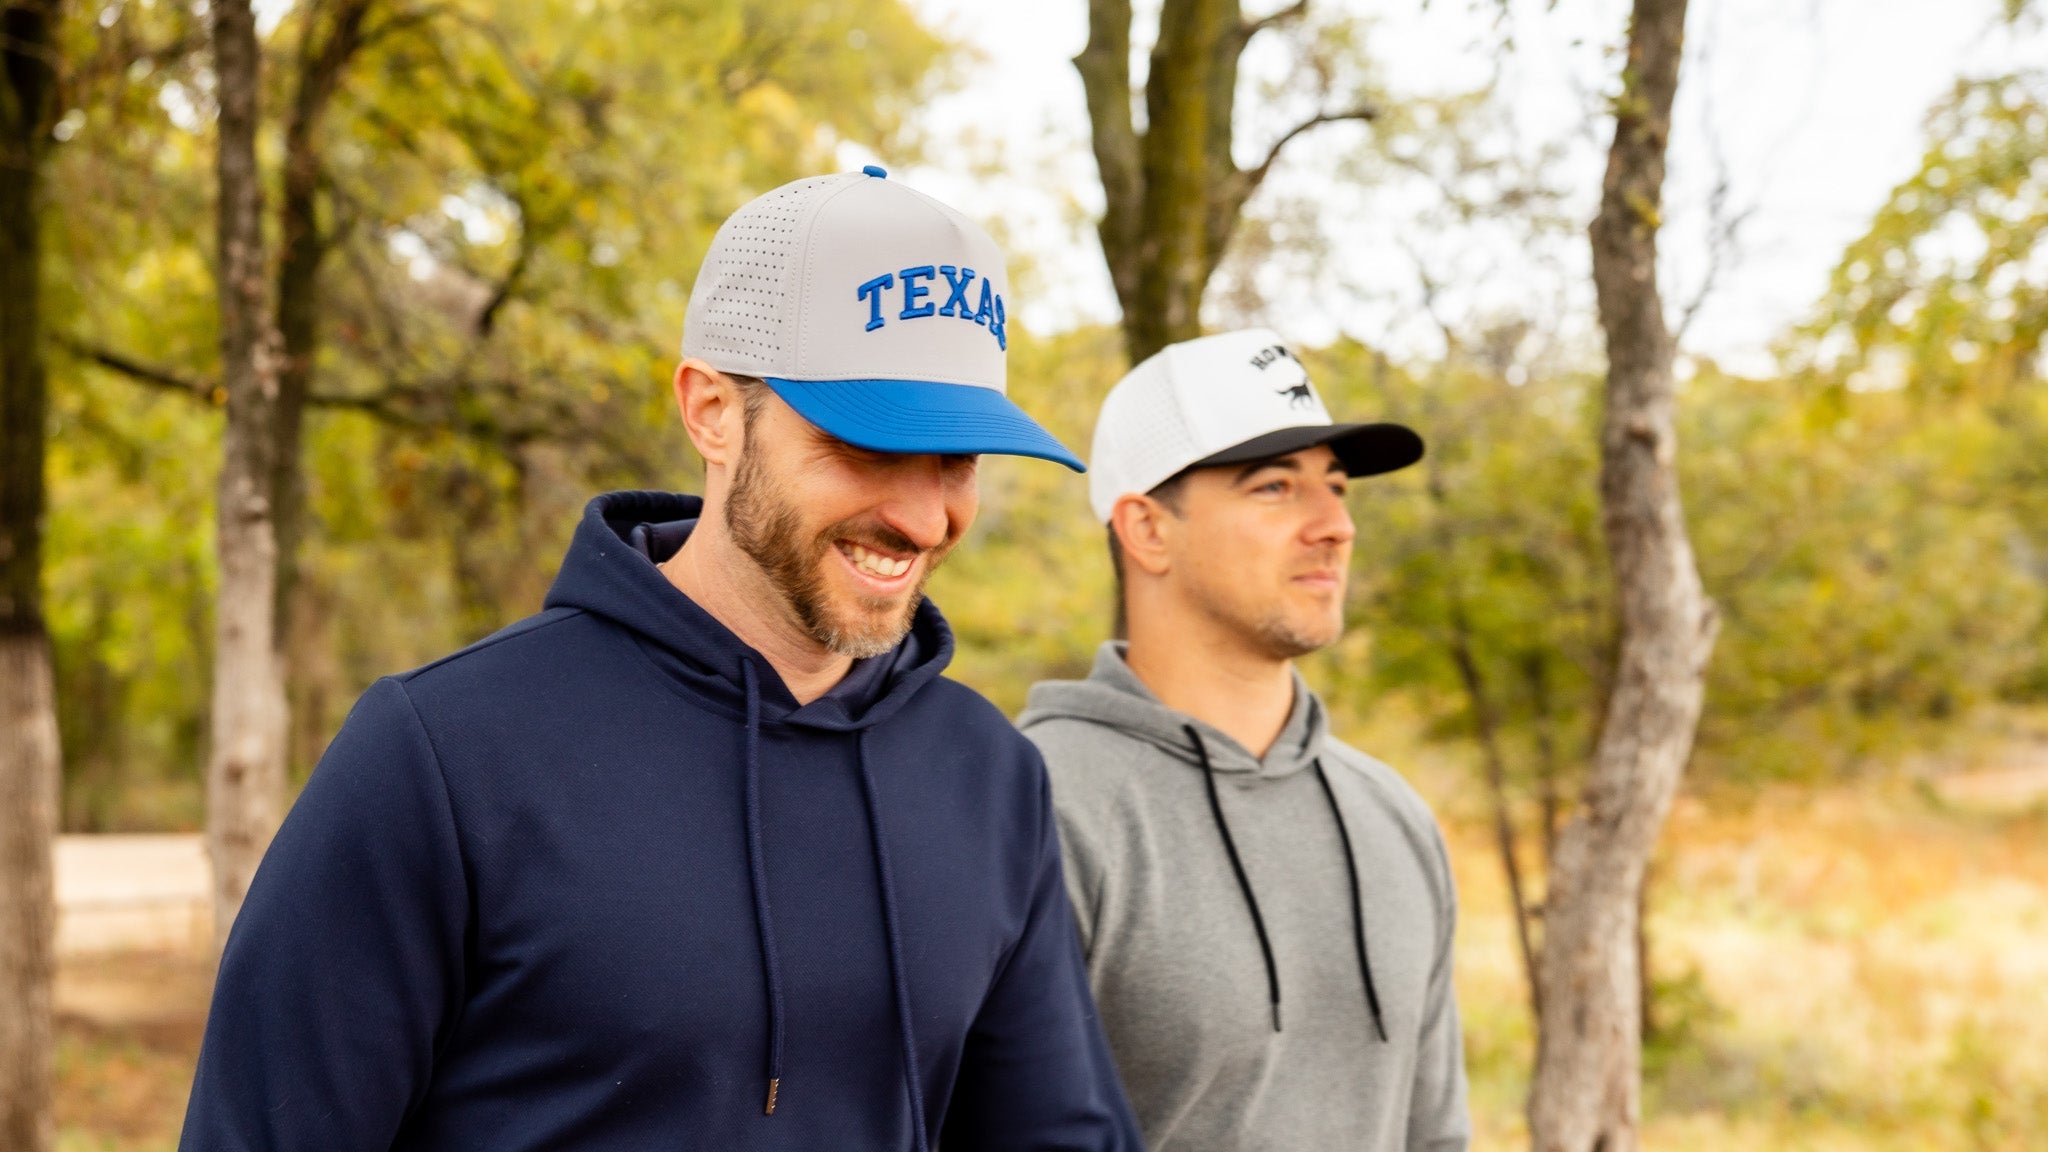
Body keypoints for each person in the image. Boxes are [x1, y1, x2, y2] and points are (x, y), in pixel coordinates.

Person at [180, 167, 1141, 1152]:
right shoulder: (443, 755)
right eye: (868, 441)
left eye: (957, 458)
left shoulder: (986, 777)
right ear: (712, 411)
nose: (923, 513)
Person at [1019, 328, 1470, 1151]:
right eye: (1274, 487)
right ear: (1147, 529)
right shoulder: (1036, 805)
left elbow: (1435, 1136)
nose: (1335, 525)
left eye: (1336, 488)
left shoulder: (1392, 813)